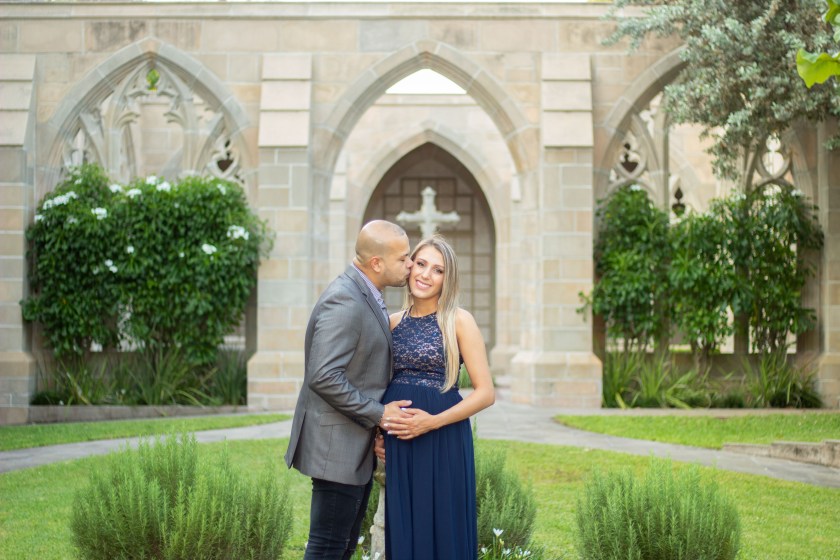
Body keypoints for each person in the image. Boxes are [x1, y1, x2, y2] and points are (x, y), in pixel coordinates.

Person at [284, 220, 414, 560]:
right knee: (327, 548)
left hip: (353, 445)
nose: (410, 264)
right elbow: (324, 375)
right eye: (403, 258)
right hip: (336, 449)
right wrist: (379, 413)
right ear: (377, 263)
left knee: (342, 548)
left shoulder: (365, 293)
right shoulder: (345, 299)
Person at [377, 234, 495, 559]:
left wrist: (432, 422)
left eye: (438, 270)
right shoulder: (390, 323)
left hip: (443, 438)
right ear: (409, 266)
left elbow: (486, 393)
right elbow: (377, 386)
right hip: (401, 441)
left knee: (444, 525)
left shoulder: (459, 321)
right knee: (407, 527)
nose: (426, 275)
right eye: (421, 264)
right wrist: (377, 433)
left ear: (447, 278)